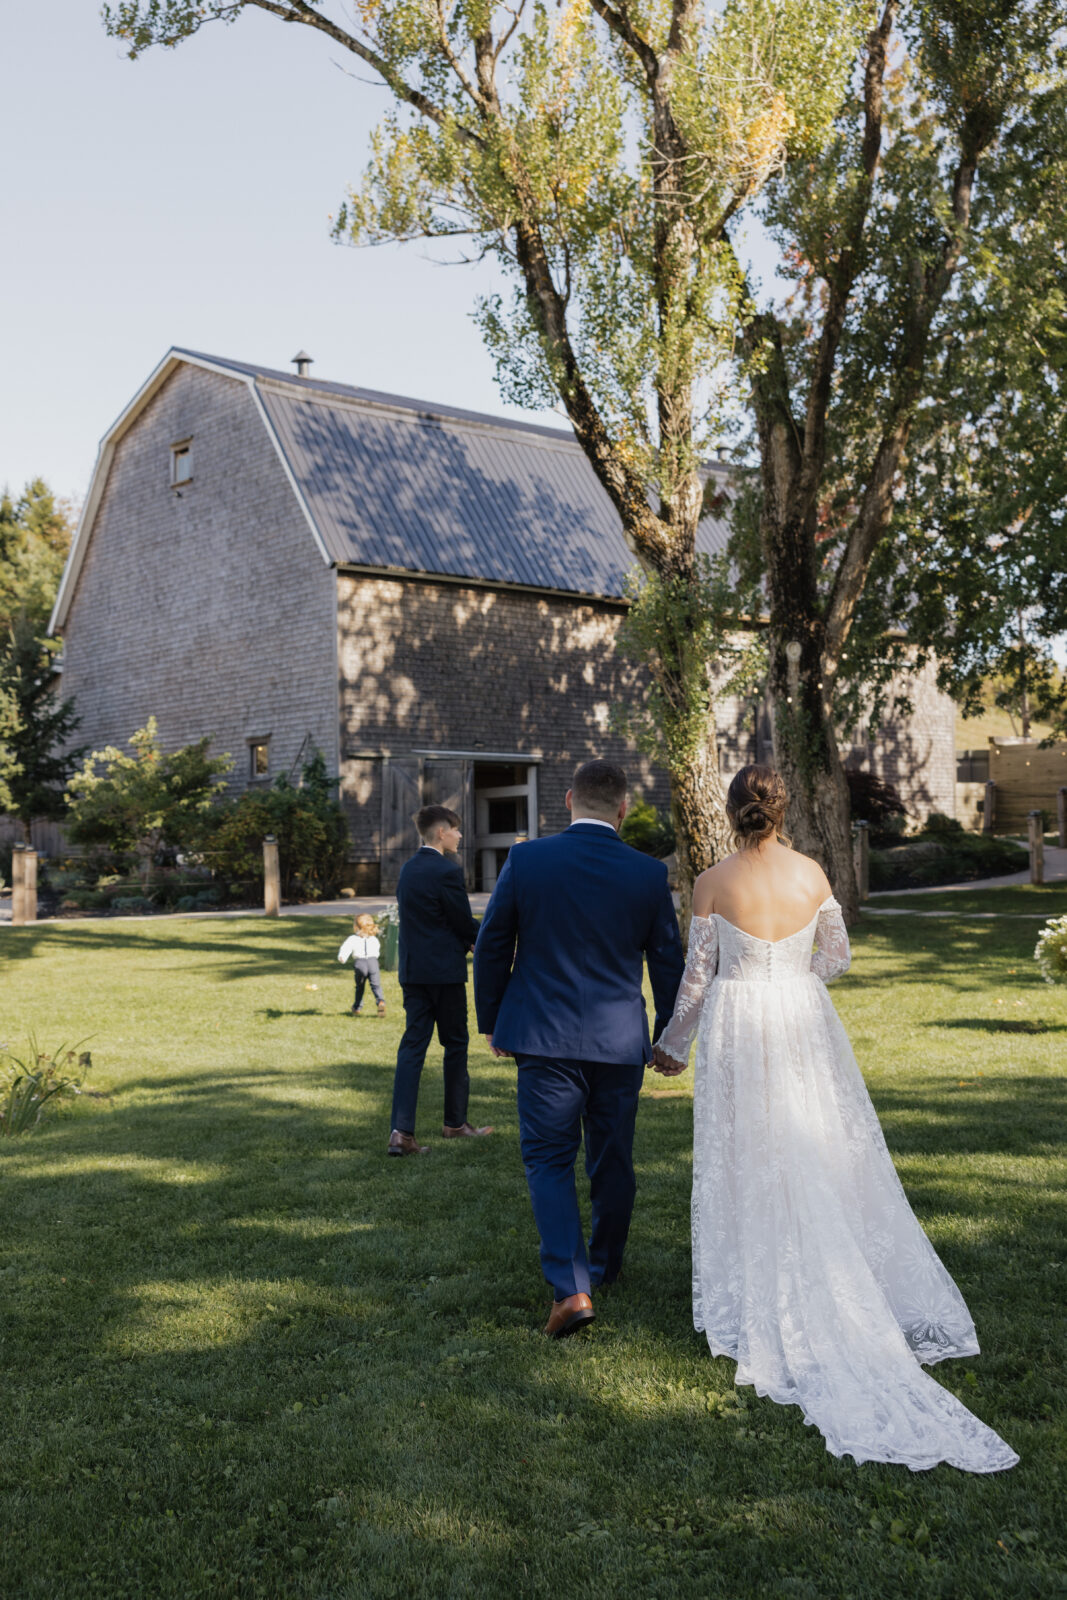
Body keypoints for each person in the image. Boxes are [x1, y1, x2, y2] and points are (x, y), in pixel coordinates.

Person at [652, 763, 1018, 1473]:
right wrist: (791, 985)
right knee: (816, 1142)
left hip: (738, 1024)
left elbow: (696, 982)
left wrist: (671, 1046)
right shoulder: (814, 874)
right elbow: (838, 957)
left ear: (729, 811)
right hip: (799, 1016)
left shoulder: (709, 882)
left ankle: (762, 1277)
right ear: (782, 807)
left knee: (750, 1149)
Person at [474, 759, 685, 1338]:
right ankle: (604, 1265)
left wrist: (491, 1020)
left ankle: (572, 1289)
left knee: (548, 1159)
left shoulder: (528, 859)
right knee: (612, 1158)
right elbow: (669, 962)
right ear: (623, 807)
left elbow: (493, 944)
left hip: (543, 1037)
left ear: (568, 800)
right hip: (619, 1043)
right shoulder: (647, 874)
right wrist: (669, 1035)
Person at [388, 804, 492, 1157]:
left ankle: (401, 1133)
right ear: (440, 833)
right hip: (444, 974)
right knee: (456, 1044)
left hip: (413, 972)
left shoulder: (408, 870)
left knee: (412, 1047)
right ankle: (455, 1123)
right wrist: (486, 942)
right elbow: (461, 921)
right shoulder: (447, 870)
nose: (460, 835)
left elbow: (431, 921)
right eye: (456, 829)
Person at [338, 913, 386, 1016]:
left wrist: (342, 958)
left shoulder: (353, 939)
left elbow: (345, 949)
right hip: (373, 963)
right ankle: (380, 1001)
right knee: (376, 985)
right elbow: (377, 951)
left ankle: (357, 1008)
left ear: (356, 927)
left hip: (360, 964)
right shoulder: (374, 939)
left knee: (360, 987)